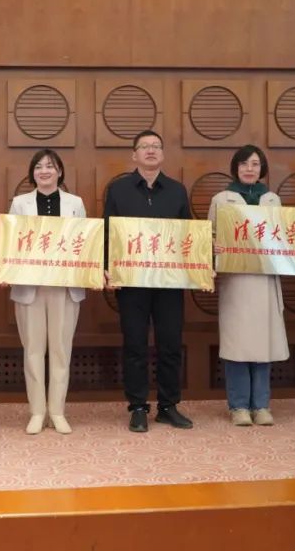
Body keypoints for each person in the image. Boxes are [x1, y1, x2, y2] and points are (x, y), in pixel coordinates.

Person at [209, 145, 295, 427]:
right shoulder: (222, 199)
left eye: (255, 164)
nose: (249, 169)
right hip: (236, 282)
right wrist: (213, 245)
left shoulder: (272, 200)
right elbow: (208, 236)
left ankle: (261, 405)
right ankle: (238, 406)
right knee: (237, 345)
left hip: (265, 281)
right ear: (235, 167)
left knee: (263, 342)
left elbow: (284, 240)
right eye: (244, 164)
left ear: (262, 169)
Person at [103, 130, 194, 433]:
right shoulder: (118, 190)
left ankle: (168, 406)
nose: (151, 150)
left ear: (163, 154)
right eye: (144, 146)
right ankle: (138, 407)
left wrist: (200, 267)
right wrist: (107, 269)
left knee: (170, 343)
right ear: (135, 154)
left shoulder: (177, 191)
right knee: (135, 345)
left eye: (156, 146)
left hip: (170, 281)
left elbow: (188, 236)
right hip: (132, 281)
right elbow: (108, 232)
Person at [1, 150, 86, 435]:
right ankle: (37, 411)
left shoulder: (75, 203)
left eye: (50, 166)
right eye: (38, 167)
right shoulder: (20, 203)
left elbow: (84, 243)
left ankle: (57, 411)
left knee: (61, 350)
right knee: (34, 350)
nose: (45, 171)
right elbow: (11, 242)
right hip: (31, 288)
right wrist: (6, 269)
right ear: (32, 173)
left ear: (60, 172)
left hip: (64, 287)